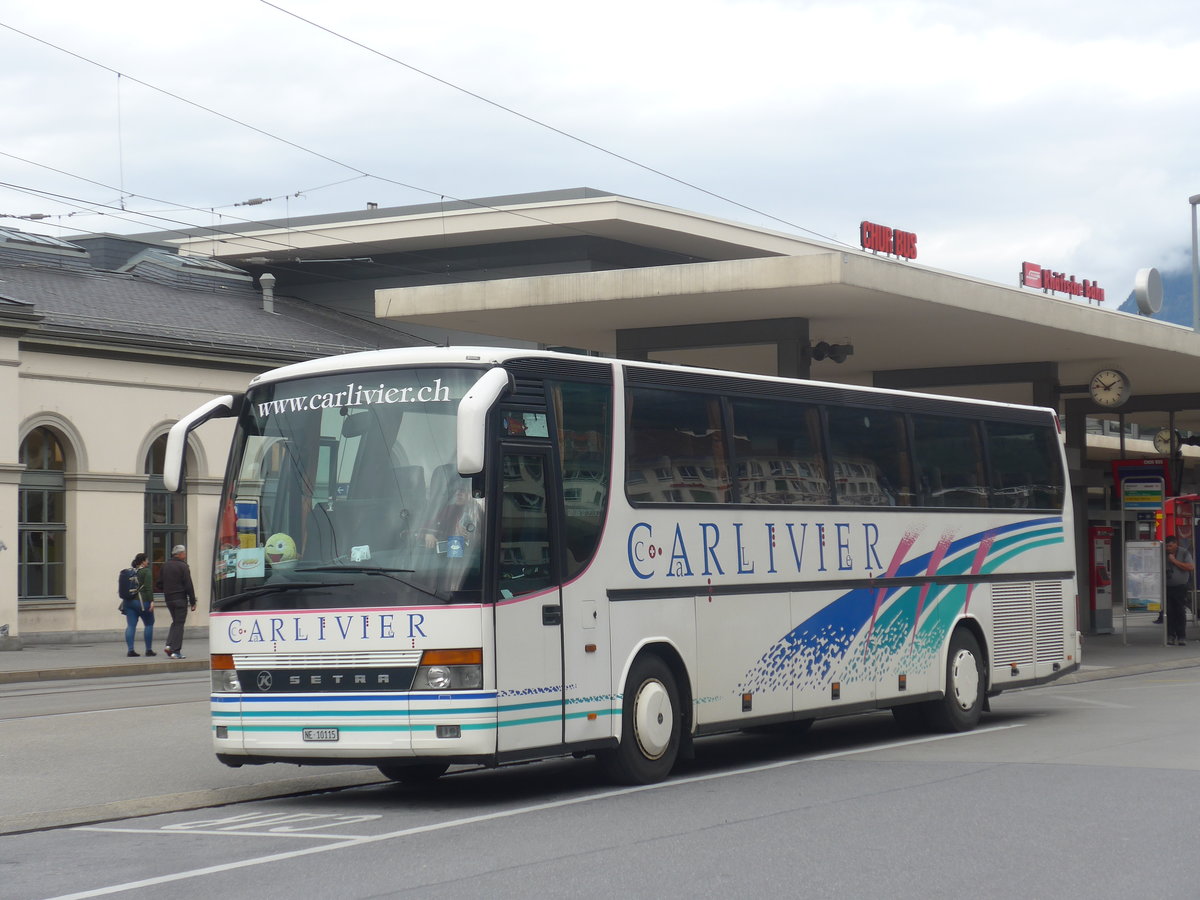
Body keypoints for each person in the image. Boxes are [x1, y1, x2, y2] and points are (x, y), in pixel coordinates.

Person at [159, 544, 196, 659]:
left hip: (169, 599)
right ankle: (176, 651)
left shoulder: (165, 566)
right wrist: (193, 601)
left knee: (175, 622)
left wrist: (167, 590)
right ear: (180, 554)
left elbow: (159, 583)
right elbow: (188, 585)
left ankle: (169, 645)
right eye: (184, 553)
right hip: (180, 598)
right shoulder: (183, 567)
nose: (185, 555)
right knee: (179, 624)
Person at [122, 552, 156, 657]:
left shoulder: (130, 571)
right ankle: (148, 650)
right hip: (142, 601)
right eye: (147, 560)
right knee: (149, 624)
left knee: (131, 626)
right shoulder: (146, 571)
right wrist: (151, 601)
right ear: (143, 561)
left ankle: (130, 650)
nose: (148, 562)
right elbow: (148, 588)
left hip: (128, 602)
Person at [1164, 535, 1194, 646]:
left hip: (1180, 587)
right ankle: (1171, 635)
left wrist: (1174, 561)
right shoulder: (1162, 554)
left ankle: (1181, 636)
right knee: (1169, 612)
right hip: (1166, 587)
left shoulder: (1184, 553)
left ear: (1176, 544)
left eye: (1170, 546)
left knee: (1180, 611)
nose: (1168, 548)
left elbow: (1190, 567)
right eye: (1166, 546)